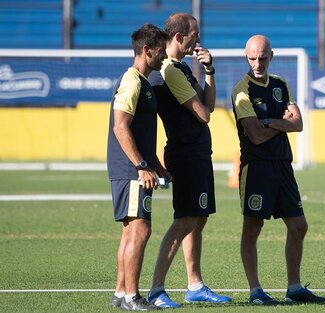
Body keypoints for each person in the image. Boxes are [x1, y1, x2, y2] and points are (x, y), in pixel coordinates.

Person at [231, 35, 325, 305]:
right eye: (252, 58)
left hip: (283, 166)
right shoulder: (241, 90)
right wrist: (279, 123)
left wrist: (269, 122)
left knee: (299, 226)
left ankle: (294, 288)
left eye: (262, 57)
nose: (257, 63)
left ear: (271, 56)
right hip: (257, 168)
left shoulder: (280, 85)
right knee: (253, 227)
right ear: (246, 57)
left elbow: (298, 124)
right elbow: (255, 136)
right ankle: (255, 292)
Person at [146, 13, 231, 308]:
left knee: (198, 218)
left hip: (197, 153)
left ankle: (194, 285)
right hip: (185, 154)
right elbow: (204, 114)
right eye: (194, 34)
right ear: (180, 37)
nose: (198, 39)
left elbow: (208, 104)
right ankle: (156, 289)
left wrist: (209, 71)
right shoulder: (170, 70)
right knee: (184, 221)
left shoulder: (182, 66)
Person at [107, 23, 169, 311]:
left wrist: (157, 166)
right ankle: (133, 297)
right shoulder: (132, 81)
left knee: (131, 232)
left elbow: (140, 134)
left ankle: (121, 293)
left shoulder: (142, 82)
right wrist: (142, 166)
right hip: (131, 171)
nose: (164, 57)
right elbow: (121, 127)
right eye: (160, 52)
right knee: (141, 230)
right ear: (147, 50)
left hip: (136, 168)